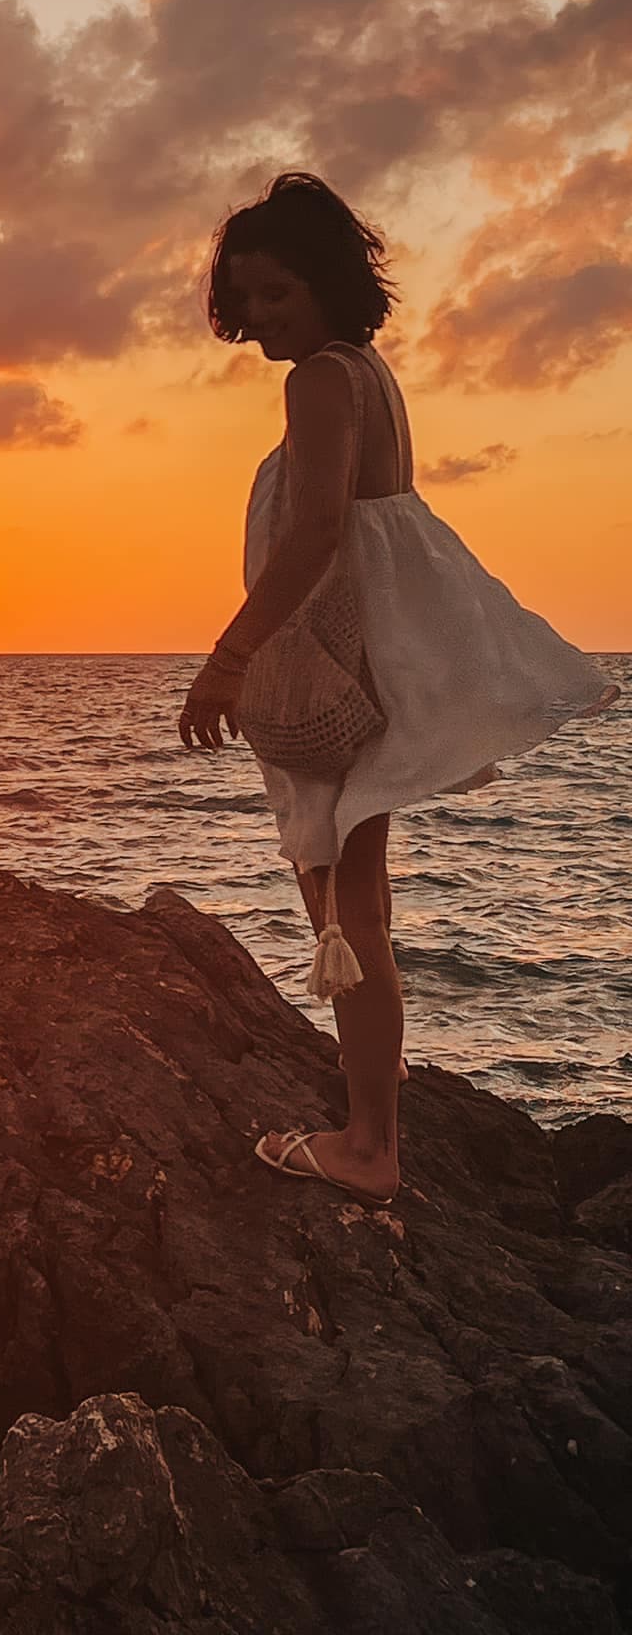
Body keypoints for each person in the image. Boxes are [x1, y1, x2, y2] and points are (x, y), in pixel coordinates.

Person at [176, 172, 621, 1209]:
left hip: (348, 659)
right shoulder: (368, 371)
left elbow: (320, 530)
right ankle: (376, 1099)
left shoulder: (321, 381)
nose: (259, 318)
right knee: (360, 897)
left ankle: (370, 1140)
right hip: (391, 648)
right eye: (247, 300)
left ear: (329, 281)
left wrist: (231, 658)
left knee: (342, 907)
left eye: (279, 294)